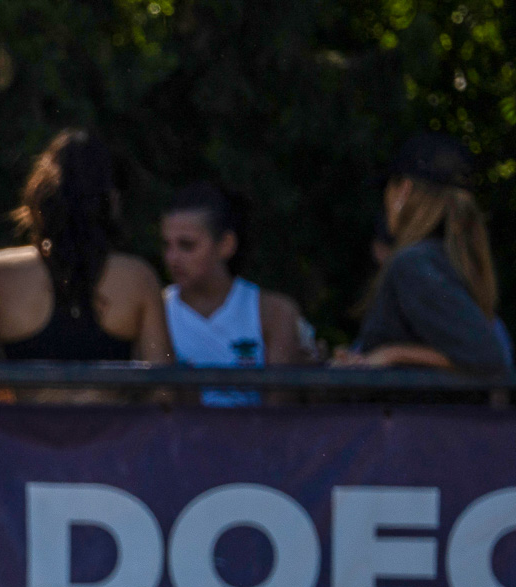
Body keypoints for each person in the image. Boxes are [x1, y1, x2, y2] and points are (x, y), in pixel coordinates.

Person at [0, 130, 171, 363]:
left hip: (30, 401)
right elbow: (162, 389)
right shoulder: (138, 278)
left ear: (40, 196)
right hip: (108, 401)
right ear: (110, 200)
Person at [335, 133, 508, 373]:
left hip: (410, 412)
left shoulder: (413, 263)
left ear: (403, 191)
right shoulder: (448, 259)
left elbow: (487, 356)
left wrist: (391, 354)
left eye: (388, 187)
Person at [160, 181, 312, 406]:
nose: (172, 258)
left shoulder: (273, 311)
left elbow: (280, 412)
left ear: (226, 245)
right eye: (166, 245)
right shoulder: (157, 311)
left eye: (187, 245)